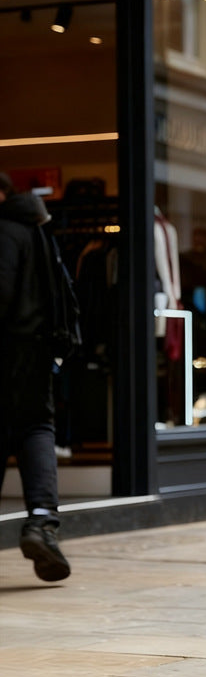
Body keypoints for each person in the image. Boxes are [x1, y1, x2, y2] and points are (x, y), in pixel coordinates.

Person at [0, 172, 71, 581]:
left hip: (10, 350)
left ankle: (41, 527)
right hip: (37, 351)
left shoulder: (6, 231)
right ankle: (42, 522)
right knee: (36, 428)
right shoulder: (37, 228)